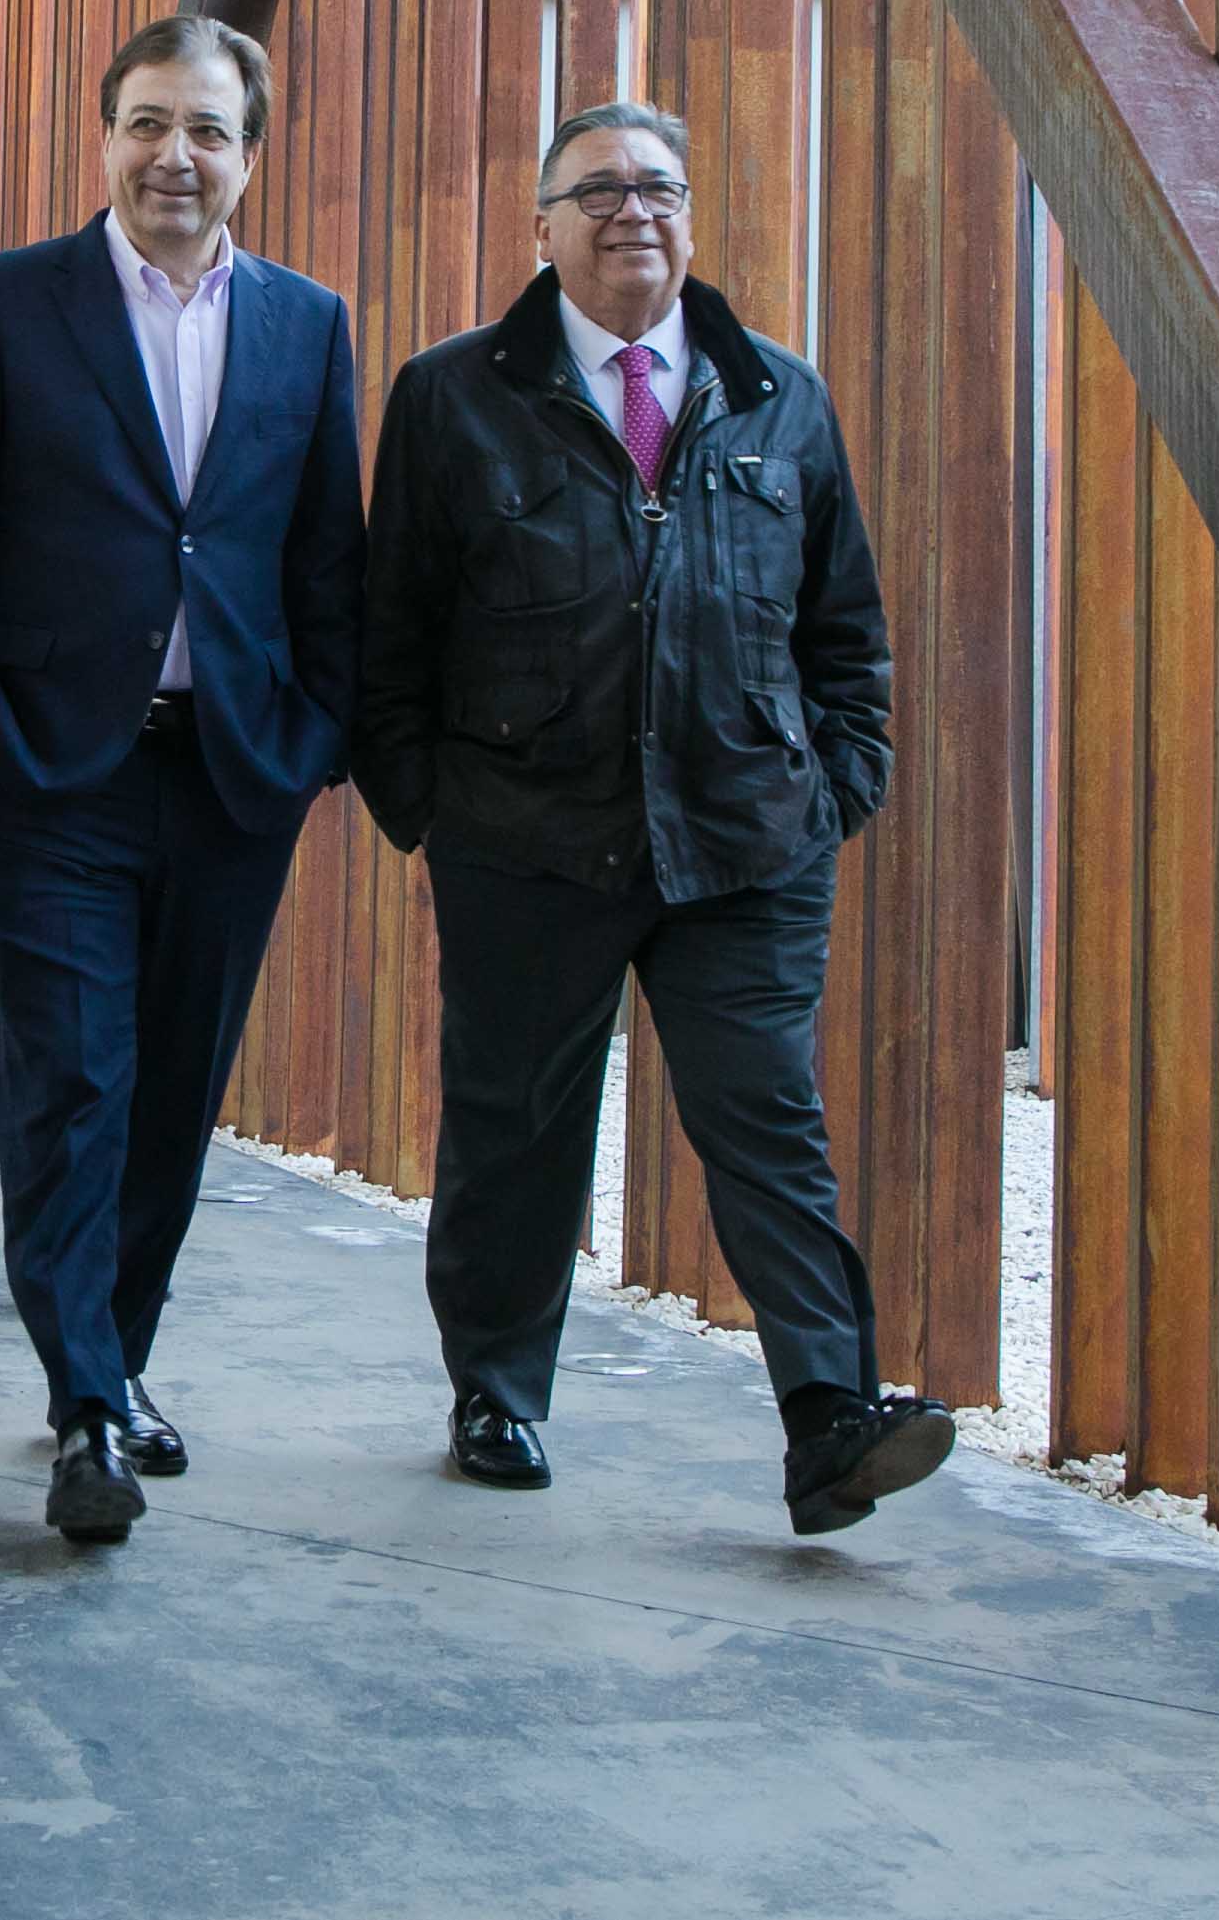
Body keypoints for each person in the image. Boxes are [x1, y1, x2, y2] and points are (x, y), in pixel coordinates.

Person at [351, 100, 952, 1537]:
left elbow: (844, 630)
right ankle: (496, 1388)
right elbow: (389, 636)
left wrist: (834, 784)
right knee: (515, 1129)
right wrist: (427, 803)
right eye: (598, 189)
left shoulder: (777, 397)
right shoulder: (451, 398)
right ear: (542, 227)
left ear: (692, 216)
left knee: (766, 1120)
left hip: (743, 841)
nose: (634, 211)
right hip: (524, 838)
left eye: (659, 187)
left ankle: (827, 1419)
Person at [0, 12, 364, 1544]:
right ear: (105, 141)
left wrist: (316, 736)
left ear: (249, 153)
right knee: (74, 1078)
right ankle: (87, 1400)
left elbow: (322, 554)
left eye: (209, 129)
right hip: (40, 773)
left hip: (228, 771)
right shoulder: (6, 302)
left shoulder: (305, 322)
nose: (177, 155)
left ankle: (116, 1364)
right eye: (149, 123)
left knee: (171, 1094)